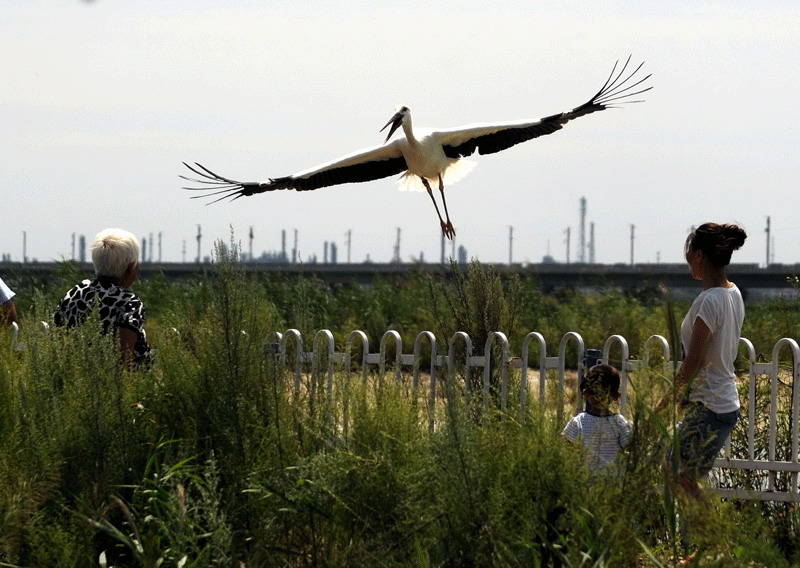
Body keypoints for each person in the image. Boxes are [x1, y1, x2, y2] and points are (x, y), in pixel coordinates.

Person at [655, 222, 747, 499]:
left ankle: (715, 538)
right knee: (679, 474)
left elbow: (692, 362)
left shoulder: (709, 300)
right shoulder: (733, 293)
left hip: (711, 405)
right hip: (717, 402)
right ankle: (700, 537)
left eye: (689, 254)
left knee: (677, 473)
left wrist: (663, 404)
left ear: (698, 256)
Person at [54, 228, 151, 365]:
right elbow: (125, 359)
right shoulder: (129, 303)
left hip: (71, 375)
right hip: (112, 382)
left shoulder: (75, 293)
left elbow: (58, 339)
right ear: (131, 268)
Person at [562, 363, 631, 473]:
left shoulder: (578, 422)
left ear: (586, 394)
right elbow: (630, 446)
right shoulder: (620, 422)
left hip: (586, 482)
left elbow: (565, 446)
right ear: (615, 396)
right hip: (614, 483)